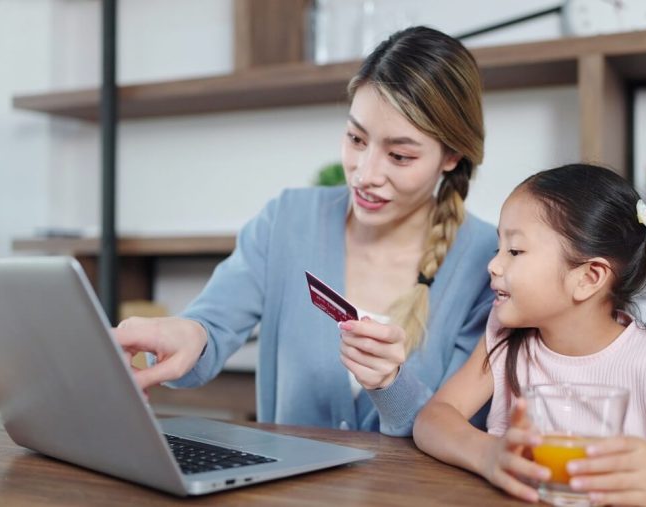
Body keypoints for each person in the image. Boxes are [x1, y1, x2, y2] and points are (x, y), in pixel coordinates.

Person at [115, 26, 496, 437]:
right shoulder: (288, 220)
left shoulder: (489, 261)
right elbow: (212, 326)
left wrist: (391, 384)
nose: (365, 174)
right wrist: (185, 333)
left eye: (400, 156)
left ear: (452, 156)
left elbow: (459, 431)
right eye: (355, 138)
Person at [414, 163, 646, 505]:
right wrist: (487, 454)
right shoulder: (507, 339)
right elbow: (434, 419)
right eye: (498, 248)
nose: (493, 264)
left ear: (588, 278)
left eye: (515, 250)